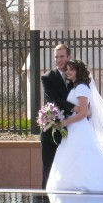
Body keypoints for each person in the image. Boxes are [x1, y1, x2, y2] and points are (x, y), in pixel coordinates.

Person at [46, 59, 103, 193]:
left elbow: (84, 112)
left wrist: (64, 122)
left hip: (79, 128)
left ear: (78, 71)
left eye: (71, 69)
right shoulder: (76, 87)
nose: (68, 72)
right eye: (67, 69)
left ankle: (87, 186)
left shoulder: (81, 87)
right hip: (73, 128)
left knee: (83, 157)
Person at [40, 44, 78, 189]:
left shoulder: (76, 77)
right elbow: (55, 100)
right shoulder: (48, 77)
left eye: (62, 56)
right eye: (56, 57)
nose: (59, 60)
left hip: (72, 133)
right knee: (49, 175)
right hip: (51, 134)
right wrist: (75, 107)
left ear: (69, 57)